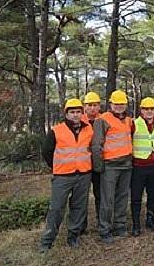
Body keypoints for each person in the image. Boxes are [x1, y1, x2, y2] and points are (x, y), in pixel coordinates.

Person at [39, 99, 93, 252]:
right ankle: (47, 241)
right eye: (72, 112)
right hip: (63, 176)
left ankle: (73, 237)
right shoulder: (56, 130)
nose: (75, 115)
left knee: (79, 207)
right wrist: (56, 166)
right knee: (56, 208)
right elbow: (46, 152)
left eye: (78, 112)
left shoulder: (88, 129)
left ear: (82, 113)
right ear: (66, 114)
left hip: (83, 174)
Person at [91, 90, 133, 244]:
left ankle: (120, 226)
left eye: (122, 104)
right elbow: (96, 145)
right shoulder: (102, 120)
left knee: (122, 197)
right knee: (107, 200)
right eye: (117, 104)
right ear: (111, 104)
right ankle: (104, 229)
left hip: (126, 165)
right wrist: (99, 167)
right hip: (110, 166)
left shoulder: (128, 120)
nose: (120, 106)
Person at [130, 97, 154, 236]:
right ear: (141, 110)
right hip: (138, 166)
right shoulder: (134, 124)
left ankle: (150, 218)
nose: (149, 111)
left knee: (153, 195)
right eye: (146, 109)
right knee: (136, 196)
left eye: (152, 109)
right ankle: (136, 224)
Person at [80, 91, 101, 234]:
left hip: (100, 165)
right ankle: (81, 226)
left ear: (99, 106)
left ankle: (102, 222)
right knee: (81, 197)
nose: (92, 108)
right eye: (89, 105)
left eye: (95, 105)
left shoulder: (104, 120)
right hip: (83, 165)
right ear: (84, 106)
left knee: (101, 195)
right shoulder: (78, 121)